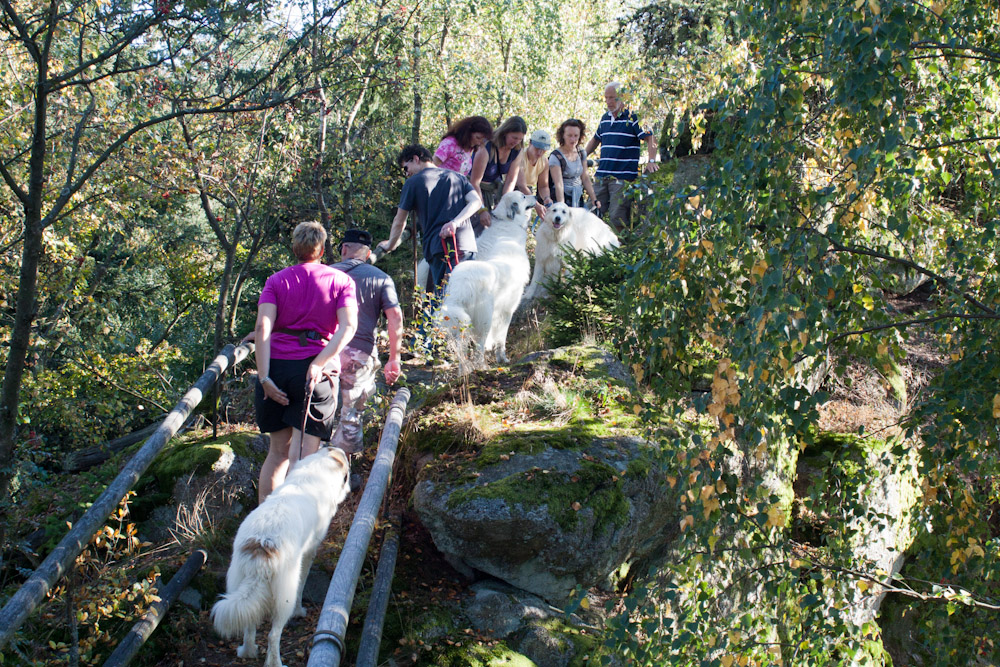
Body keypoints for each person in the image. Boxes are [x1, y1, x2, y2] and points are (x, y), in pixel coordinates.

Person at [253, 221, 357, 502]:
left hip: (276, 368)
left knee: (277, 454)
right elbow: (348, 327)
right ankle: (287, 530)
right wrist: (320, 363)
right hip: (315, 375)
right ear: (322, 249)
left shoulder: (276, 281)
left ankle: (265, 525)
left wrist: (265, 378)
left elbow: (263, 329)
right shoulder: (341, 281)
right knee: (301, 459)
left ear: (294, 248)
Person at [328, 229, 403, 453]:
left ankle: (309, 460)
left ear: (343, 249)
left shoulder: (324, 273)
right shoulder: (381, 278)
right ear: (369, 253)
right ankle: (344, 472)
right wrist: (393, 358)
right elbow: (395, 317)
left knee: (318, 407)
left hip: (324, 350)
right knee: (351, 415)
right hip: (359, 352)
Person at [377, 144, 483, 292]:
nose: (406, 174)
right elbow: (476, 202)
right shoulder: (458, 177)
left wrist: (390, 245)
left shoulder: (413, 183)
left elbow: (399, 220)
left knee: (441, 300)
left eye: (406, 168)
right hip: (467, 246)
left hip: (440, 248)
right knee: (464, 298)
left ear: (416, 159)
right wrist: (456, 222)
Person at [584, 82, 659, 231]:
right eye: (606, 98)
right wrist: (581, 156)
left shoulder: (633, 117)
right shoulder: (605, 118)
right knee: (590, 212)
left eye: (612, 98)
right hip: (602, 174)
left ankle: (621, 249)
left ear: (623, 98)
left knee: (617, 217)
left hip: (622, 177)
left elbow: (650, 137)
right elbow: (595, 140)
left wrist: (651, 160)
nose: (609, 102)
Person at [469, 116, 526, 232]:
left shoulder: (517, 150)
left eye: (520, 139)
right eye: (514, 137)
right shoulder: (486, 148)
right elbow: (474, 182)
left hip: (495, 190)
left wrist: (503, 202)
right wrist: (482, 209)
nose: (516, 142)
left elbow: (511, 180)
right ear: (505, 132)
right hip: (476, 191)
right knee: (478, 228)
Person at [549, 118, 599, 210]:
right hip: (561, 198)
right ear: (563, 135)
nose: (573, 139)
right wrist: (562, 208)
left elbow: (585, 178)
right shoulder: (556, 157)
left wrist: (594, 199)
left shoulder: (581, 152)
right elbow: (558, 184)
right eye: (569, 135)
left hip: (577, 197)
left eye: (576, 136)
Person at [515, 129, 554, 220]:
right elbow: (521, 185)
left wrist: (546, 198)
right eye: (537, 148)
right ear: (530, 143)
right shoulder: (520, 156)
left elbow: (543, 186)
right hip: (514, 191)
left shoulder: (544, 161)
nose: (540, 152)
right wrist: (536, 205)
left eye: (543, 149)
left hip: (529, 194)